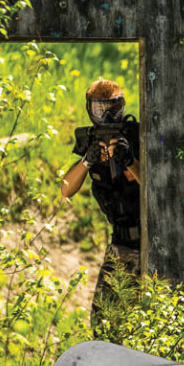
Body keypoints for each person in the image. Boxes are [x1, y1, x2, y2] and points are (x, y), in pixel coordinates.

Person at [61, 78, 141, 330]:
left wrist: (129, 160)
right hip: (121, 245)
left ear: (122, 108)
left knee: (148, 321)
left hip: (152, 242)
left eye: (112, 108)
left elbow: (156, 190)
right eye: (99, 109)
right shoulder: (89, 142)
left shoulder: (137, 137)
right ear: (90, 109)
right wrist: (87, 160)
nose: (106, 115)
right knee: (103, 323)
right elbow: (65, 190)